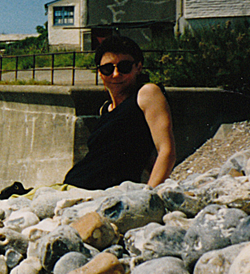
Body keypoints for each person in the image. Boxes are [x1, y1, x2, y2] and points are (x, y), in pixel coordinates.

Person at [63, 35, 176, 190]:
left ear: (138, 67)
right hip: (75, 186)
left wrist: (147, 195)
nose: (115, 74)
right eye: (107, 69)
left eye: (124, 67)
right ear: (100, 72)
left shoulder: (147, 93)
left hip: (100, 195)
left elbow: (166, 151)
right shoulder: (106, 108)